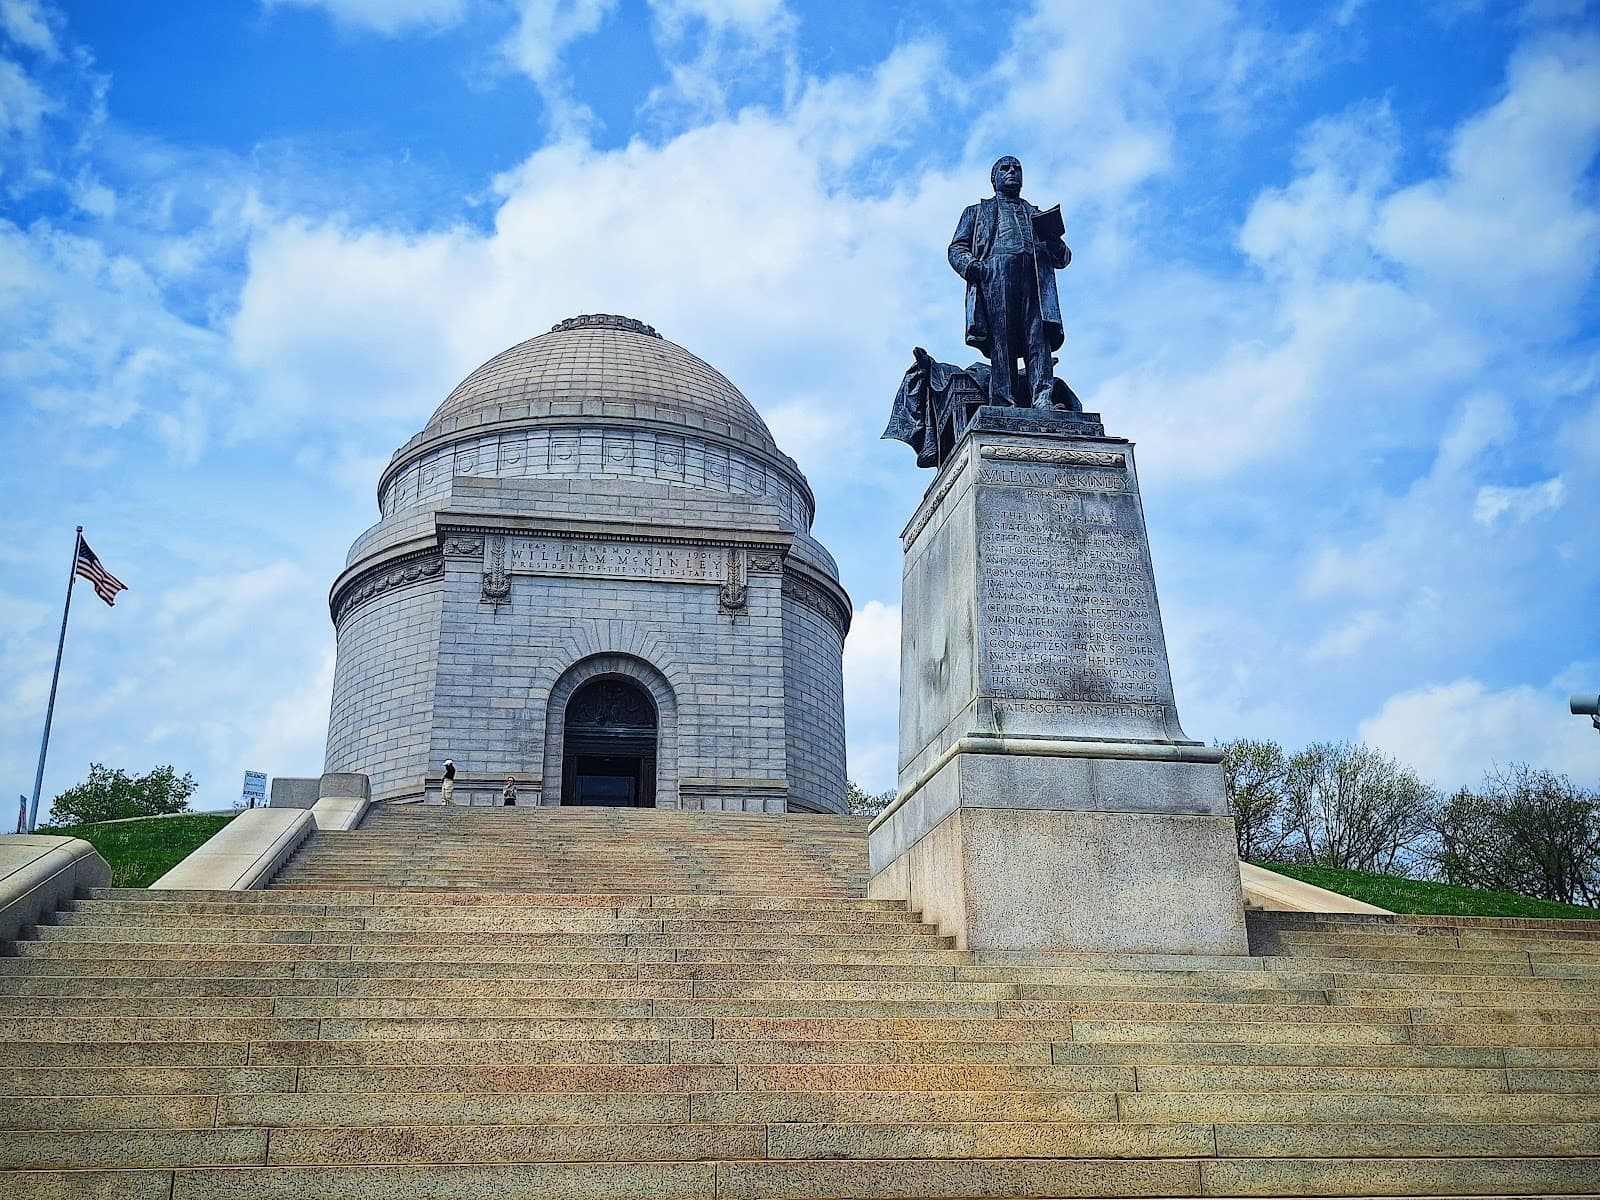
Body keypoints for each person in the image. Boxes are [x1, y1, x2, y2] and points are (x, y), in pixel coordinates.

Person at [947, 156, 1071, 409]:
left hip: (1034, 278)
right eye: (1005, 168)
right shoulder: (976, 212)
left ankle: (1042, 397)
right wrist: (973, 266)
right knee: (1001, 339)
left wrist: (1054, 241)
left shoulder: (1036, 215)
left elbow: (1063, 257)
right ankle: (1003, 400)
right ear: (994, 179)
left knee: (1038, 338)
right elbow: (957, 247)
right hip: (995, 275)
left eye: (1017, 168)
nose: (1012, 172)